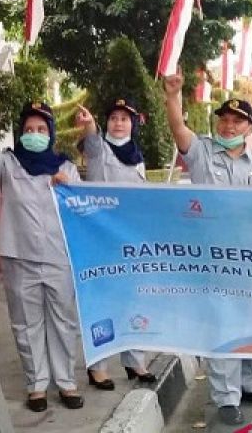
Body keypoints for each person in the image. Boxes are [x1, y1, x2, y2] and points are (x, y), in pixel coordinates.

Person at [162, 72, 252, 428]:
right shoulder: (200, 152)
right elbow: (178, 129)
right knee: (222, 325)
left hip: (248, 257)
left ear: (248, 127)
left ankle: (250, 383)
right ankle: (225, 398)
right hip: (211, 258)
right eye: (224, 120)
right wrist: (173, 96)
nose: (228, 126)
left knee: (250, 323)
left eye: (237, 121)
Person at [0, 86, 84, 412]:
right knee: (26, 322)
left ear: (51, 133)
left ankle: (66, 381)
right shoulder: (8, 164)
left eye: (41, 129)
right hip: (19, 255)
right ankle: (36, 385)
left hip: (59, 255)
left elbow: (83, 208)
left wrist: (68, 188)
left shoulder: (66, 168)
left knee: (63, 320)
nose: (34, 134)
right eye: (28, 129)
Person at [75, 97, 158, 389]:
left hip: (131, 240)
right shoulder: (99, 150)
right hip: (101, 240)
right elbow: (93, 139)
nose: (119, 123)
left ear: (132, 124)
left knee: (134, 301)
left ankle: (135, 362)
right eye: (113, 118)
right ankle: (97, 366)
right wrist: (90, 126)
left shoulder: (137, 156)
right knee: (103, 305)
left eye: (124, 119)